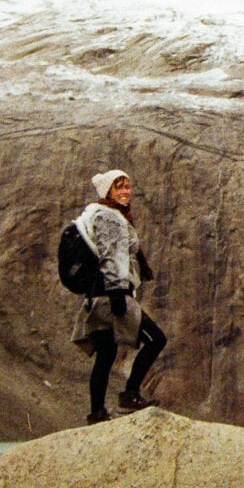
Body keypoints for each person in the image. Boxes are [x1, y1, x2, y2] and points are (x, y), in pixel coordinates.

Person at [71, 168, 168, 424]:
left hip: (98, 296)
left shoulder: (109, 215)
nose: (126, 192)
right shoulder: (110, 217)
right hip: (111, 295)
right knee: (156, 339)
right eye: (119, 187)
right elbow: (111, 254)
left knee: (106, 354)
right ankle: (130, 395)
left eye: (128, 187)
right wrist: (116, 292)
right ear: (108, 192)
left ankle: (97, 413)